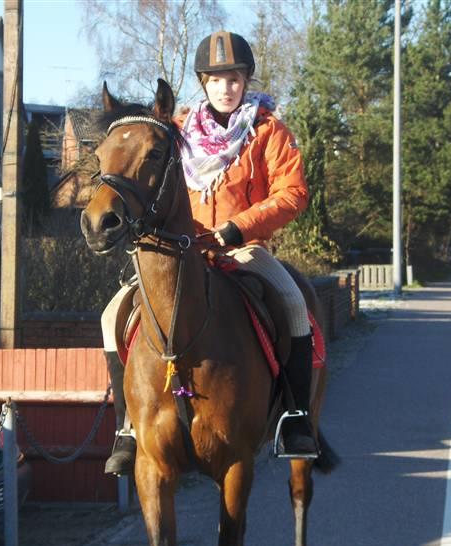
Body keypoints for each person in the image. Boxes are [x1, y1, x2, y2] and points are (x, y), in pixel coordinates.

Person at [102, 30, 317, 476]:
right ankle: (127, 427)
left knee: (295, 306)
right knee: (110, 317)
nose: (226, 88)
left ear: (246, 80)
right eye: (216, 79)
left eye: (234, 78)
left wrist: (237, 229)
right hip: (183, 253)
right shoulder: (177, 132)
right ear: (203, 83)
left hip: (243, 248)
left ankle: (296, 418)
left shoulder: (269, 130)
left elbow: (293, 193)